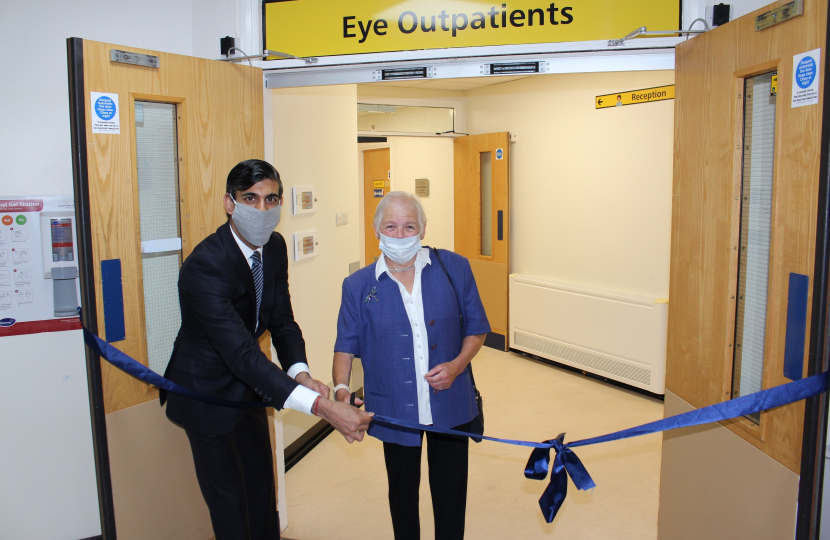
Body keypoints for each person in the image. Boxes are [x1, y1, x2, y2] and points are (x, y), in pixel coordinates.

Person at [161, 159, 373, 540]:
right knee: (229, 504)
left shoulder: (273, 246)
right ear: (230, 203)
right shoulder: (204, 265)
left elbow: (282, 320)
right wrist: (321, 407)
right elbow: (240, 352)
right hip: (206, 393)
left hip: (250, 387)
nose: (262, 210)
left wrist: (301, 373)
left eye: (271, 199)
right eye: (251, 199)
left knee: (262, 490)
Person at [332, 191, 490, 540]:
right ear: (376, 229)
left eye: (409, 226)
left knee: (451, 495)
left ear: (422, 229)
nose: (400, 235)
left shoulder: (454, 267)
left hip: (450, 403)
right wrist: (342, 389)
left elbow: (477, 328)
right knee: (402, 494)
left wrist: (458, 365)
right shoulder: (358, 285)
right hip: (392, 406)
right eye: (391, 226)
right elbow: (345, 345)